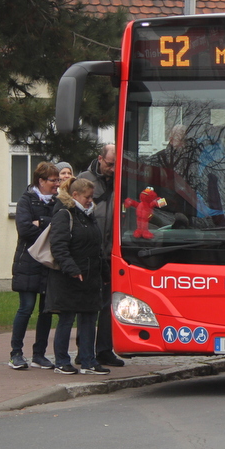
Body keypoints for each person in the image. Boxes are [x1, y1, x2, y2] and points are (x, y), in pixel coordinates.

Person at [47, 178, 107, 375]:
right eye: (87, 197)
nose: (90, 200)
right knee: (66, 319)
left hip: (90, 277)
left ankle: (89, 360)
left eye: (92, 196)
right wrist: (72, 269)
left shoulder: (88, 216)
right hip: (70, 278)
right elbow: (58, 247)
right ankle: (62, 361)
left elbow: (97, 248)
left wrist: (105, 272)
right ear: (75, 196)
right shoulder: (64, 214)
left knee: (90, 319)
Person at [8, 162, 60, 370]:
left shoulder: (57, 202)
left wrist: (40, 221)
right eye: (53, 180)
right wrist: (47, 225)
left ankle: (39, 354)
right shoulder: (26, 200)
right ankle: (16, 353)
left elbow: (60, 228)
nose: (57, 184)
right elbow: (25, 229)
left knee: (46, 310)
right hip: (28, 262)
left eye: (58, 180)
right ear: (41, 181)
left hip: (48, 263)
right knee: (26, 308)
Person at [77, 143, 124, 366]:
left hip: (111, 253)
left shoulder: (122, 179)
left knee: (108, 305)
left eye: (117, 165)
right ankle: (83, 351)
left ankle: (104, 349)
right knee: (87, 305)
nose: (113, 170)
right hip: (89, 253)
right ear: (100, 159)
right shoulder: (85, 180)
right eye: (109, 164)